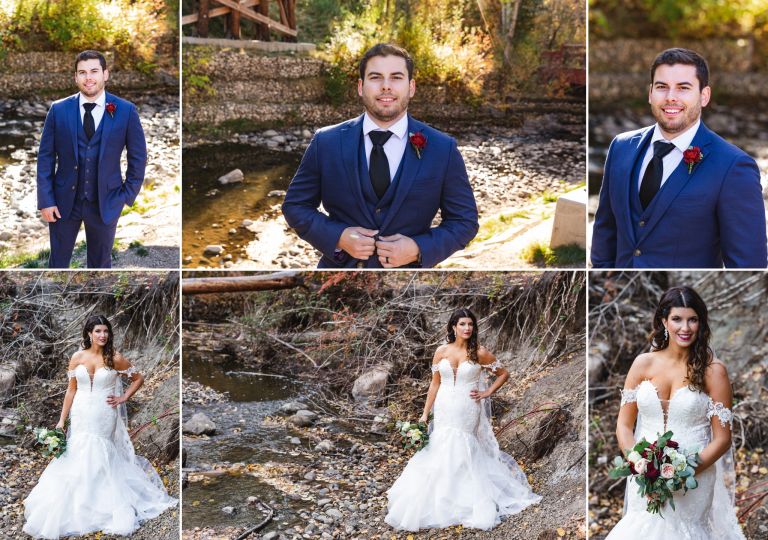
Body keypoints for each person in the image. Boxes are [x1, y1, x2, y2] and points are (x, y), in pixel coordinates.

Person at [282, 43, 478, 268]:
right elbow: (295, 206)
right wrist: (338, 237)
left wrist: (417, 249)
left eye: (396, 77)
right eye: (375, 77)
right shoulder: (325, 142)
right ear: (360, 86)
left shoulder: (443, 149)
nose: (386, 86)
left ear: (411, 87)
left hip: (410, 286)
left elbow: (465, 222)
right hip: (338, 280)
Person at [591, 48, 767, 268]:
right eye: (662, 87)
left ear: (704, 96)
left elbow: (748, 263)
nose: (670, 97)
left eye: (683, 88)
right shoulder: (621, 147)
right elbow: (605, 229)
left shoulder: (733, 167)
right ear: (650, 93)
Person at [385, 308, 541, 531]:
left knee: (462, 444)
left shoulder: (480, 352)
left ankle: (466, 497)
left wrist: (487, 393)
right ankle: (439, 496)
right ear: (453, 327)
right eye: (462, 324)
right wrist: (424, 413)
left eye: (470, 324)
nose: (467, 328)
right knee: (441, 443)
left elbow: (504, 374)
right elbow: (435, 383)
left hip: (468, 407)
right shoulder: (441, 351)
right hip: (445, 404)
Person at [607, 287, 744, 538]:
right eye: (677, 319)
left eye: (693, 319)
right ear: (663, 321)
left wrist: (681, 475)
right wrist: (640, 466)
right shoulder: (642, 364)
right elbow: (624, 426)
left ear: (701, 323)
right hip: (645, 479)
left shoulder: (714, 372)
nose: (685, 328)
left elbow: (723, 439)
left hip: (694, 477)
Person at [23, 315, 176, 538]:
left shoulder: (115, 358)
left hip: (105, 413)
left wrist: (123, 397)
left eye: (105, 331)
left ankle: (103, 502)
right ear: (88, 333)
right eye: (98, 331)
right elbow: (71, 390)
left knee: (99, 451)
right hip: (81, 410)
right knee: (78, 451)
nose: (102, 335)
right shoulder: (77, 357)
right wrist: (61, 420)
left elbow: (138, 379)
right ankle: (77, 503)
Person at [37, 50, 147, 268]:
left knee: (100, 266)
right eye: (82, 72)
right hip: (62, 202)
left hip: (106, 201)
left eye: (94, 71)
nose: (89, 78)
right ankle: (58, 300)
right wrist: (46, 200)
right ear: (75, 77)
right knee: (57, 263)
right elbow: (45, 157)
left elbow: (139, 157)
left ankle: (94, 300)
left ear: (105, 74)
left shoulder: (125, 110)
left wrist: (126, 195)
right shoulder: (58, 110)